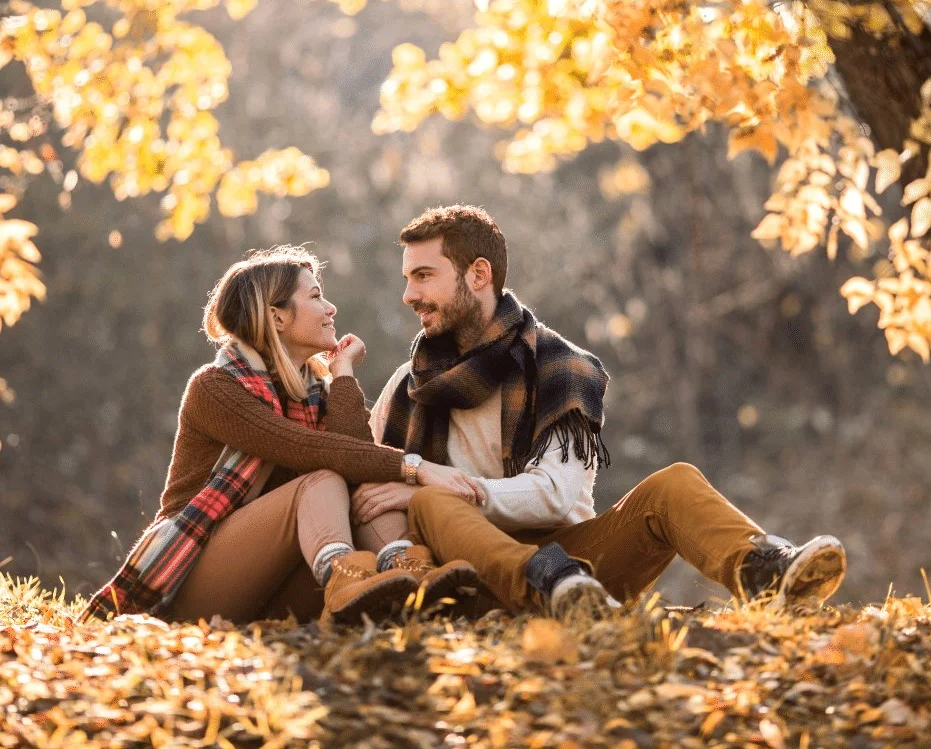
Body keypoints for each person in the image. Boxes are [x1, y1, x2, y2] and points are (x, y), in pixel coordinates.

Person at [361, 206, 847, 617]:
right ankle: (540, 584)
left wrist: (431, 481)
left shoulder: (560, 369)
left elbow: (555, 496)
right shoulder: (407, 387)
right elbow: (364, 474)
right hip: (464, 576)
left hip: (580, 572)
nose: (409, 295)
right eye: (407, 278)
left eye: (424, 275)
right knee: (428, 503)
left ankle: (767, 574)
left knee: (673, 484)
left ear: (479, 274)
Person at [82, 246, 479, 626]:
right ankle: (346, 574)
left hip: (270, 587)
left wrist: (341, 374)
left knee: (368, 489)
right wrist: (416, 467)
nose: (331, 308)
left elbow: (359, 458)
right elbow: (304, 448)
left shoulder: (314, 391)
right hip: (192, 580)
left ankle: (410, 571)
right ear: (277, 318)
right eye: (316, 296)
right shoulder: (216, 387)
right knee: (322, 479)